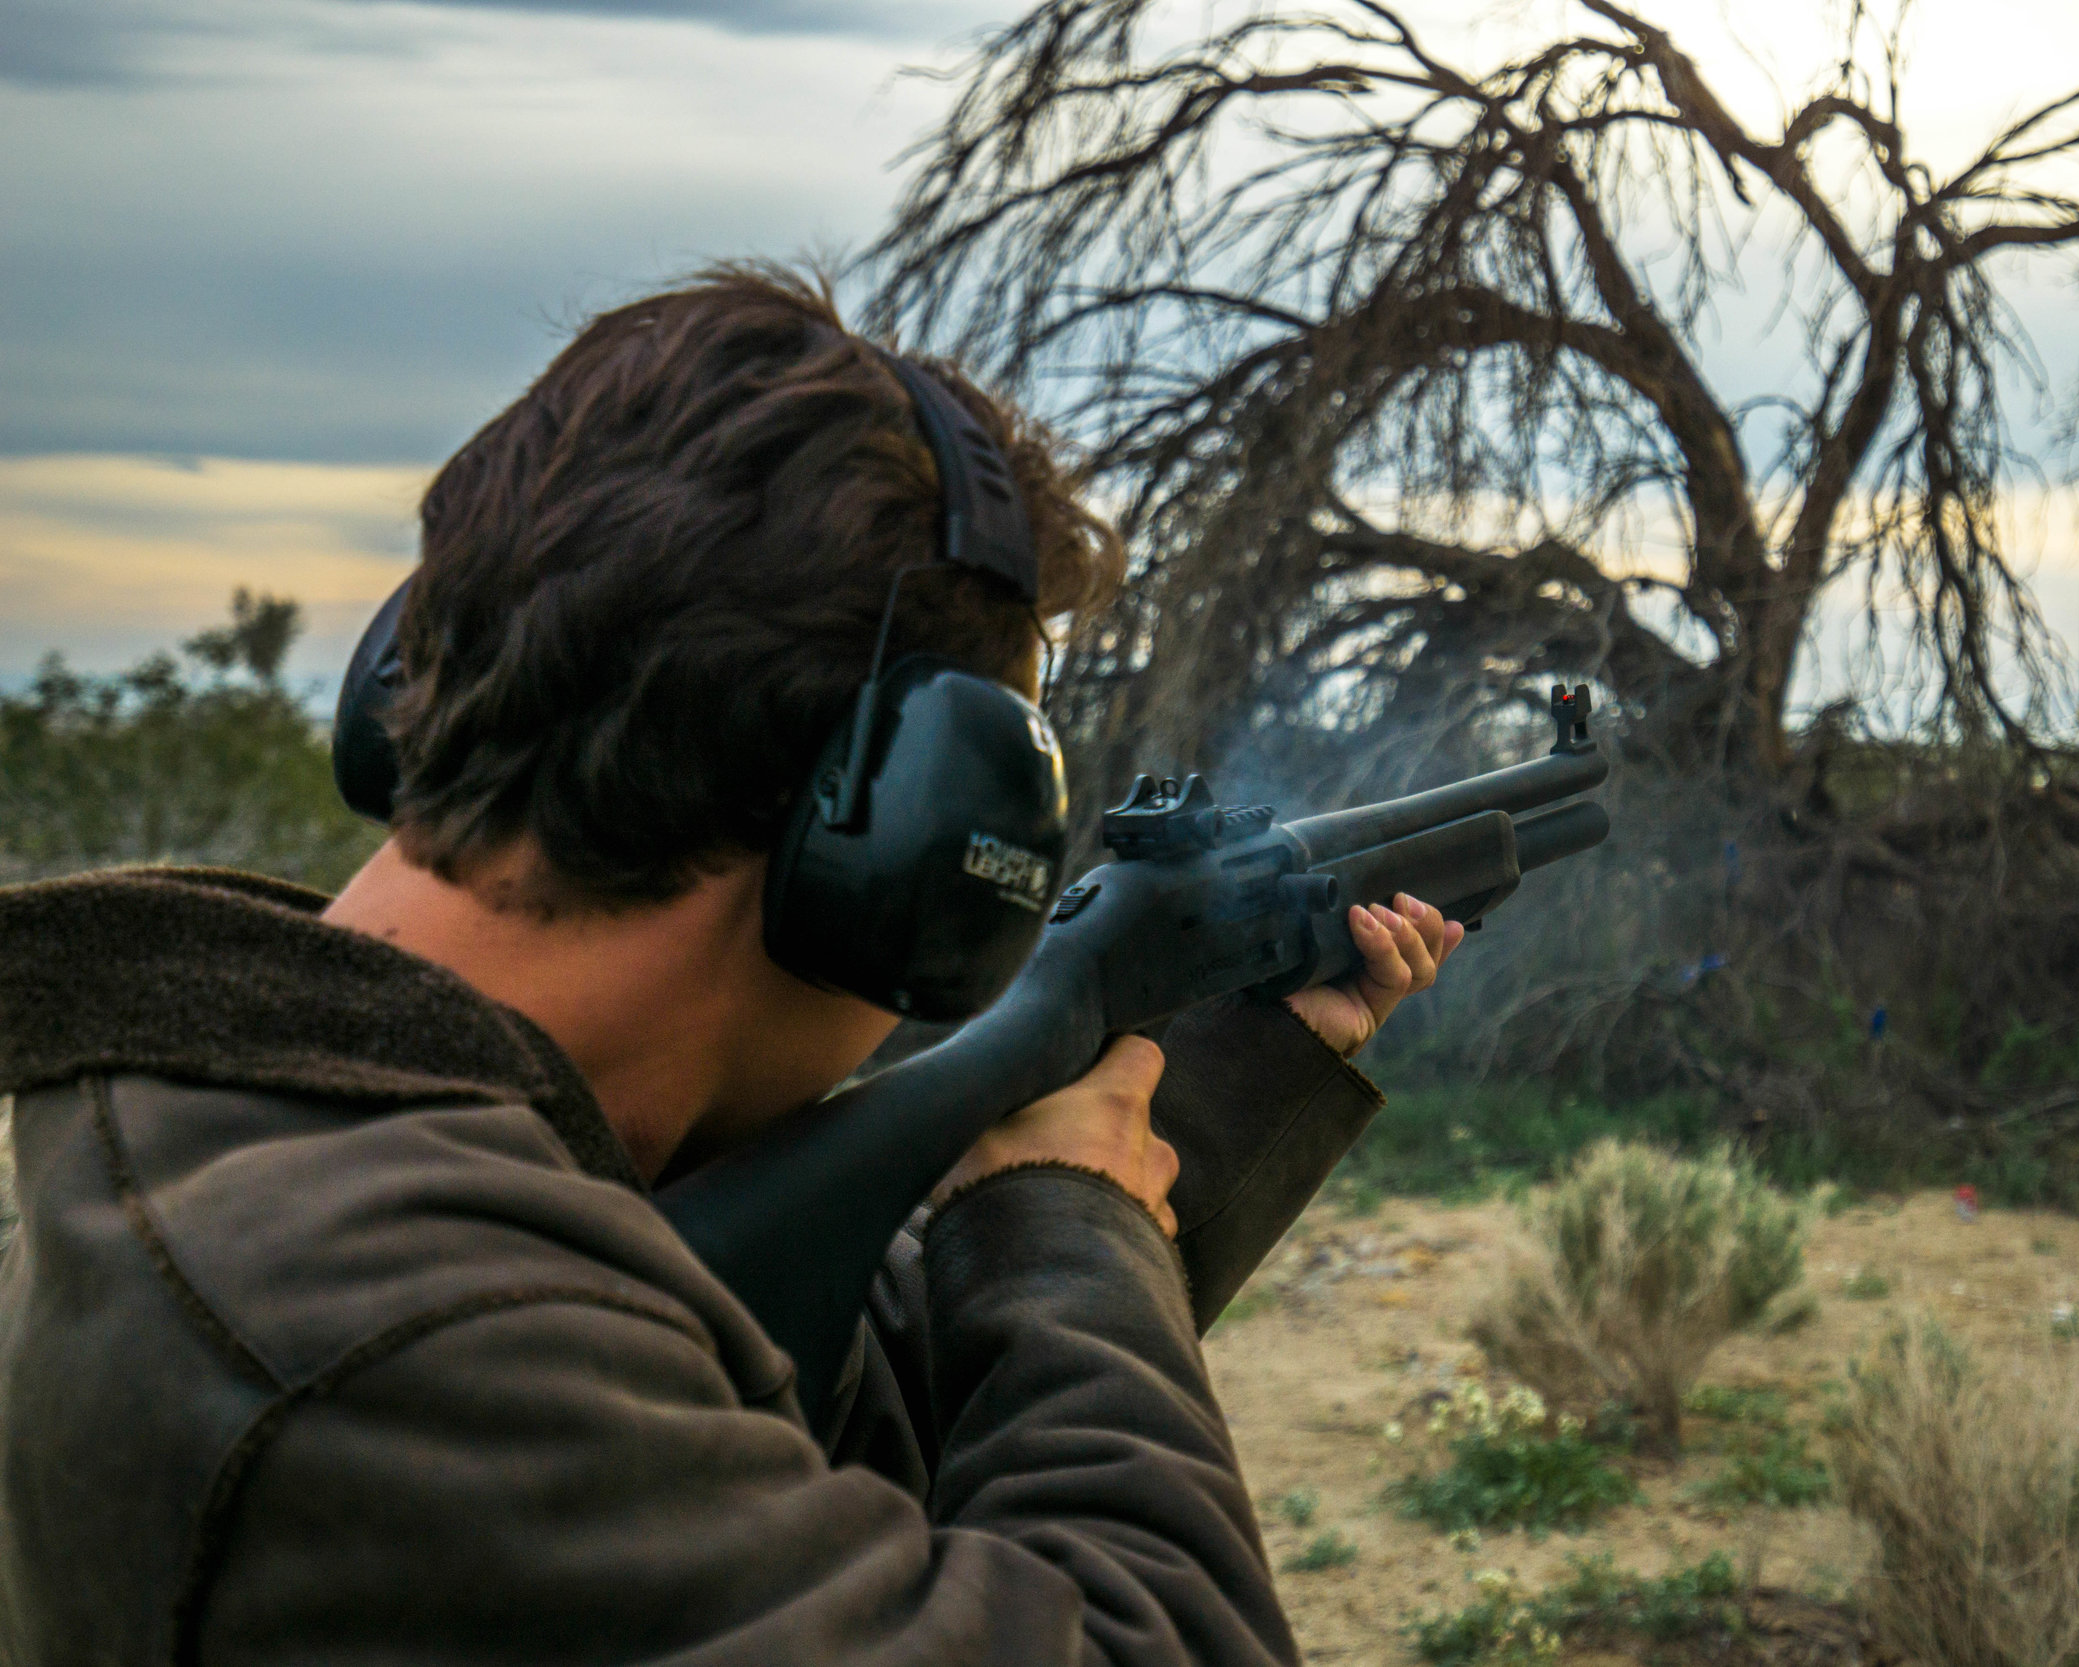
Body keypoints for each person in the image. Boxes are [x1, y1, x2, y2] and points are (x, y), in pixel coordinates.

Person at [0, 265, 1459, 1663]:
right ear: (913, 846)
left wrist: (1217, 1081)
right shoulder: (395, 1346)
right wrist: (1072, 1228)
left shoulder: (285, 1146)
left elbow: (810, 1404)